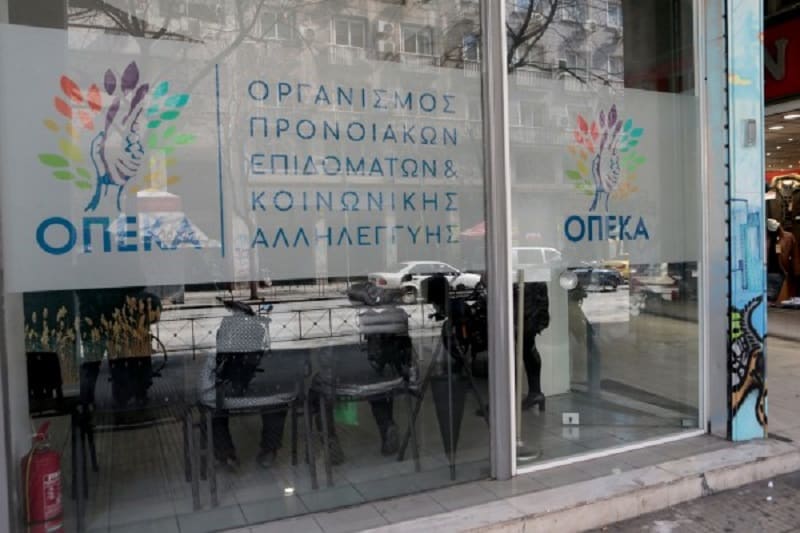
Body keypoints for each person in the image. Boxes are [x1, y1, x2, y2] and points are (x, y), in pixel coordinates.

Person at [514, 282, 549, 411]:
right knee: (527, 349)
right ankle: (535, 393)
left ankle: (535, 393)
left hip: (527, 310)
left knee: (526, 349)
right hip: (528, 308)